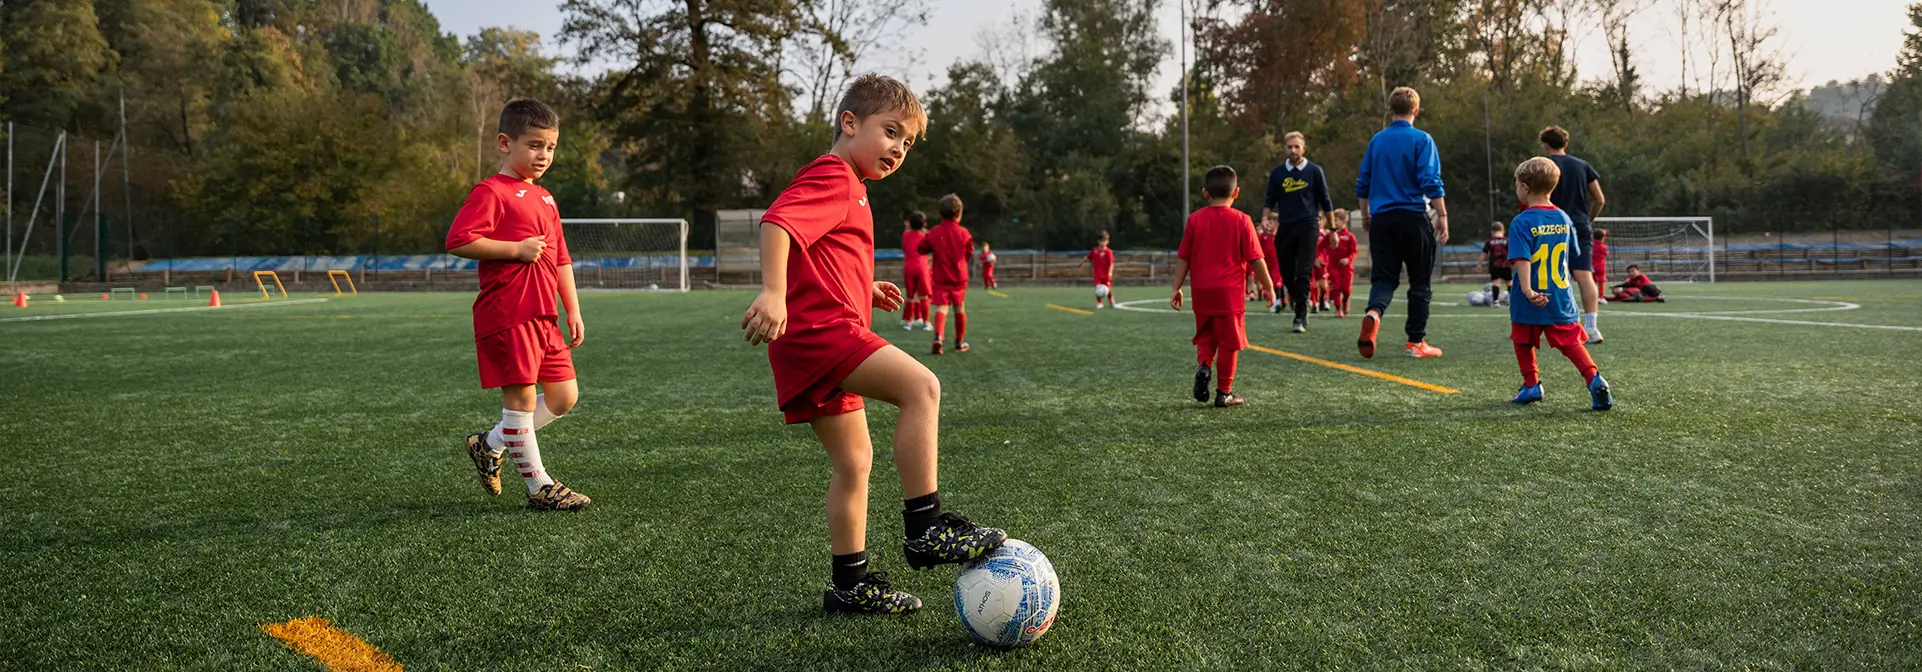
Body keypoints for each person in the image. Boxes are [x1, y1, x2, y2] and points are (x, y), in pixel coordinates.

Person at [739, 74, 1007, 615]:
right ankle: (926, 526)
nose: (898, 149)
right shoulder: (834, 174)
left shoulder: (852, 188)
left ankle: (851, 584)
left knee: (854, 463)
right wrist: (772, 291)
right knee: (922, 387)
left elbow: (822, 253)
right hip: (821, 333)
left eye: (906, 143)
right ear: (850, 122)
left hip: (816, 335)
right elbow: (778, 223)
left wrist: (866, 287)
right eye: (891, 132)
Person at [449, 98, 591, 512]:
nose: (543, 155)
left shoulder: (546, 199)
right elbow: (459, 240)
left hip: (545, 316)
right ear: (504, 143)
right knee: (522, 401)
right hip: (509, 312)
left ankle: (489, 445)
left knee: (564, 397)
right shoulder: (491, 192)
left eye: (550, 147)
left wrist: (574, 309)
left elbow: (560, 258)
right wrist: (515, 249)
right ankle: (539, 488)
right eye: (534, 145)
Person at [1506, 157, 1614, 411]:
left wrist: (1526, 289)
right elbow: (1568, 252)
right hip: (1560, 293)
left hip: (1530, 293)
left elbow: (1522, 259)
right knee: (1571, 341)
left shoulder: (1521, 221)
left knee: (1522, 337)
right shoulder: (1563, 218)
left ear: (1525, 187)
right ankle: (1593, 378)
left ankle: (1531, 384)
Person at [1354, 87, 1448, 359]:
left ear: (1389, 110)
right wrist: (1442, 216)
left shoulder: (1377, 140)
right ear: (1416, 110)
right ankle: (1415, 343)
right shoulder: (1423, 140)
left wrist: (1367, 215)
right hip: (1412, 217)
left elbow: (1363, 184)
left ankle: (1374, 312)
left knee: (1384, 279)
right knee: (1420, 282)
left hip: (1382, 219)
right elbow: (1431, 181)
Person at [1172, 166, 1275, 408]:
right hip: (1229, 293)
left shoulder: (1194, 220)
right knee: (1230, 342)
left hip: (1202, 291)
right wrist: (1269, 287)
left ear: (1205, 194)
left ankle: (1204, 365)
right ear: (1236, 192)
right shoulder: (1242, 220)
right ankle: (1224, 393)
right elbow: (1256, 259)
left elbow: (1183, 258)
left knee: (1206, 337)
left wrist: (1176, 287)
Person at [1540, 126, 1609, 344]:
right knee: (1584, 275)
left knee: (1550, 274)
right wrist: (1587, 219)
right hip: (1578, 224)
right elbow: (1599, 199)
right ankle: (1591, 328)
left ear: (1545, 145)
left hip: (1550, 224)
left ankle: (1555, 325)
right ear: (1566, 144)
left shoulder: (1544, 167)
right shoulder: (1582, 165)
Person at [1263, 131, 1336, 333]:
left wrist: (1332, 230)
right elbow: (1269, 199)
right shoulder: (1278, 173)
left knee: (1303, 272)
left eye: (1297, 146)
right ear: (1285, 149)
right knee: (1287, 273)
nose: (1293, 150)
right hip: (1286, 227)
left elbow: (1326, 201)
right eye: (1289, 147)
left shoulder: (1314, 171)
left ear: (1304, 148)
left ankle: (1300, 317)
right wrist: (1264, 218)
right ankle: (1297, 300)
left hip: (1309, 226)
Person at [919, 194, 975, 354]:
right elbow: (969, 252)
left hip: (941, 276)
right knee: (959, 308)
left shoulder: (935, 232)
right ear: (959, 213)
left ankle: (938, 337)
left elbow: (921, 248)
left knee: (942, 307)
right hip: (958, 276)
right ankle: (959, 342)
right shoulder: (964, 232)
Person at [900, 211, 932, 330]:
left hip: (909, 268)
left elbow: (904, 248)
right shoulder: (925, 236)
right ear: (923, 224)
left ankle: (908, 322)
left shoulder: (905, 235)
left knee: (910, 296)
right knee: (924, 297)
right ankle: (926, 322)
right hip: (922, 268)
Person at [1324, 210, 1359, 317]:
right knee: (1335, 289)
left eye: (1336, 220)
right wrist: (1318, 257)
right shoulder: (1330, 235)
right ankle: (1338, 309)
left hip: (1346, 269)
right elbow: (1320, 247)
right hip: (1333, 267)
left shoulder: (1350, 236)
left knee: (1346, 290)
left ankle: (1345, 302)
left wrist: (1348, 259)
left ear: (1344, 221)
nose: (1333, 223)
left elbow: (1354, 251)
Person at [1076, 232, 1118, 310]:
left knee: (1108, 288)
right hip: (1097, 274)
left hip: (1106, 274)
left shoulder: (1108, 252)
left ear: (1107, 242)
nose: (1103, 242)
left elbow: (1111, 263)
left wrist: (1110, 272)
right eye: (1101, 241)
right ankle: (1099, 302)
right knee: (1098, 289)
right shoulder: (1095, 250)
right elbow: (1088, 257)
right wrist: (1081, 263)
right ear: (1098, 241)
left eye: (1104, 241)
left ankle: (1111, 299)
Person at [1476, 221, 1511, 306]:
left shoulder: (1490, 241)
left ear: (1492, 231)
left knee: (1496, 282)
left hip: (1494, 264)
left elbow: (1484, 253)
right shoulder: (1507, 240)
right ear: (1503, 230)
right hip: (1506, 264)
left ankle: (1495, 301)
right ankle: (1513, 300)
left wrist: (1479, 263)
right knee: (1509, 283)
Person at [1257, 217, 1284, 313]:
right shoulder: (1263, 236)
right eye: (1268, 223)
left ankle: (1277, 303)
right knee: (1268, 283)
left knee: (1276, 282)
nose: (1268, 225)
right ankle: (1272, 303)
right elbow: (1257, 248)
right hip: (1266, 263)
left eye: (1271, 223)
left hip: (1277, 263)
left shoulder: (1280, 236)